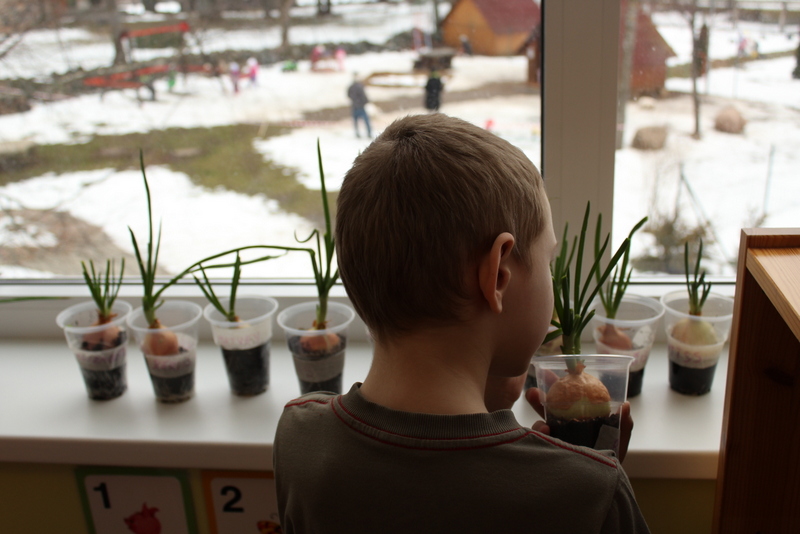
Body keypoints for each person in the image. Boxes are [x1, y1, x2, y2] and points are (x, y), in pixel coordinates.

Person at [274, 113, 649, 533]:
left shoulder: (299, 438)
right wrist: (593, 474)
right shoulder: (590, 492)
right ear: (499, 276)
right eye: (549, 259)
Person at [346, 74, 372, 138]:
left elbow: (348, 95)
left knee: (356, 121)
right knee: (366, 120)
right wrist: (365, 102)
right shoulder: (359, 86)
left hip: (355, 106)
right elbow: (363, 96)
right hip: (360, 106)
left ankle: (357, 133)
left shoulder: (351, 87)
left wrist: (354, 101)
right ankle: (368, 133)